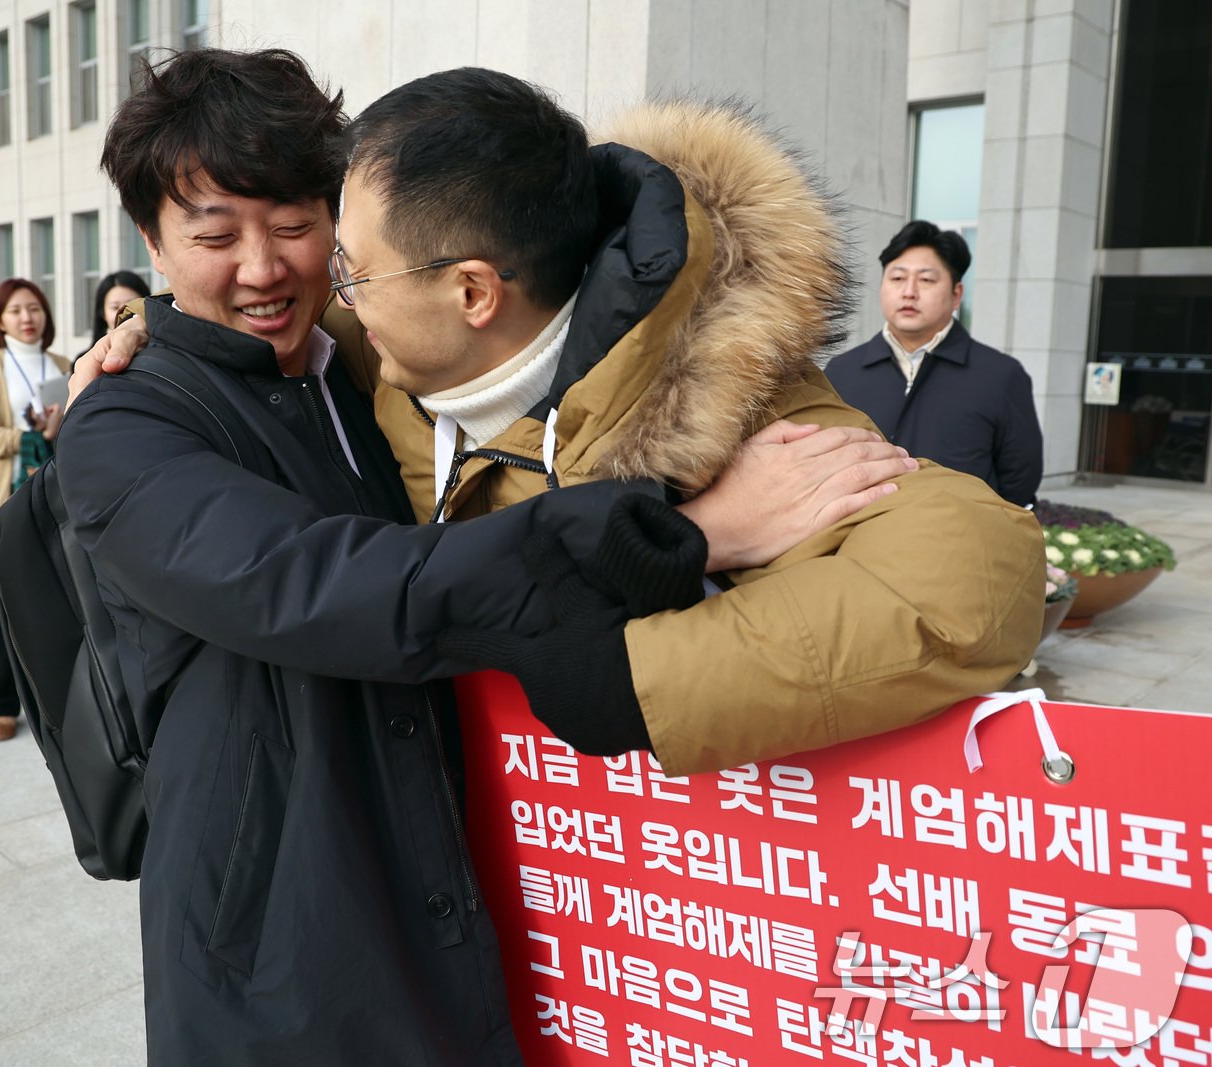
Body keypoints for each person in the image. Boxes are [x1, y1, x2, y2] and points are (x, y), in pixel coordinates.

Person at [56, 48, 872, 1065]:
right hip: (273, 929)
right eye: (213, 235)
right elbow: (322, 585)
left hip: (439, 862)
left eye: (297, 227)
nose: (262, 268)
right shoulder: (122, 424)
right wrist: (692, 530)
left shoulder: (361, 365)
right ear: (151, 239)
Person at [86, 69, 1046, 778]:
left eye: (341, 262)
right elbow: (306, 572)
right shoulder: (371, 354)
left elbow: (974, 576)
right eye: (215, 240)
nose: (300, 283)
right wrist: (153, 333)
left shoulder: (719, 383)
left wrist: (617, 676)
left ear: (472, 291)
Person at [825, 220, 1045, 507]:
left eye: (927, 280)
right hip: (857, 543)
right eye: (897, 278)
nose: (909, 292)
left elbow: (1019, 482)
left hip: (959, 543)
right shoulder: (841, 372)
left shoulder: (1000, 376)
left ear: (956, 295)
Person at [0, 279, 68, 741]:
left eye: (35, 309)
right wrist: (39, 434)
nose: (28, 318)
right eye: (16, 311)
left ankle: (60, 701)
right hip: (4, 500)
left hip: (56, 496)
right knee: (2, 604)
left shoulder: (63, 365)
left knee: (60, 600)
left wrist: (60, 429)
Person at [80, 270, 150, 356]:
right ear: (103, 313)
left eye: (131, 305)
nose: (123, 313)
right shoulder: (86, 361)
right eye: (115, 307)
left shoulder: (162, 352)